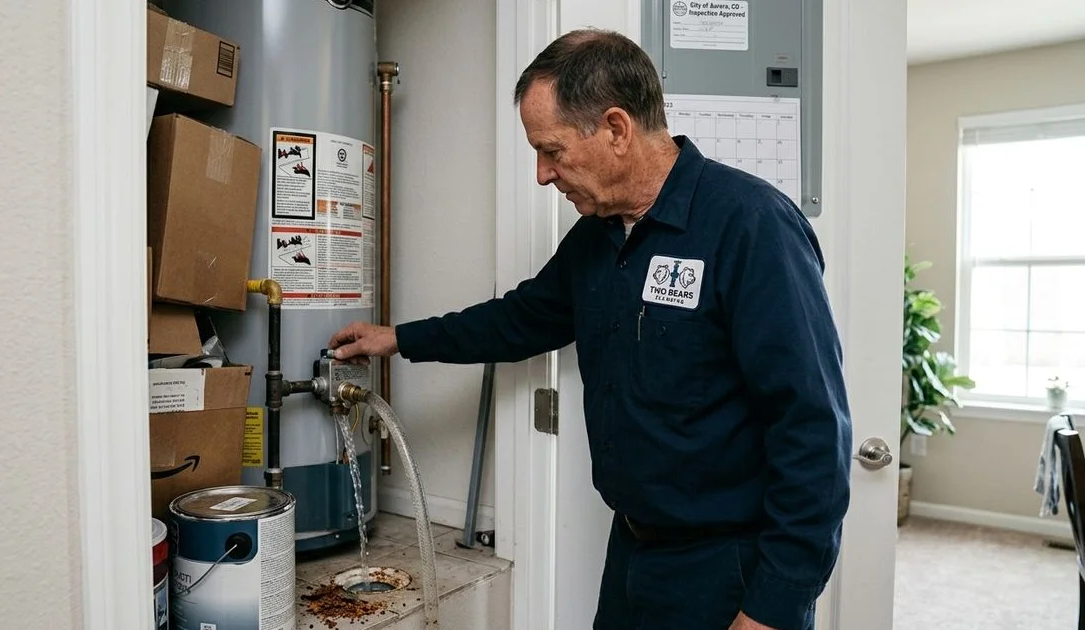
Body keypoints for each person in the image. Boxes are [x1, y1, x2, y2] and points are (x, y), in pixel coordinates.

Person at [329, 29, 852, 630]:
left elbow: (811, 429)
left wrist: (775, 606)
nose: (543, 175)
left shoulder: (751, 226)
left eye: (551, 150)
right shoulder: (598, 236)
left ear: (616, 128)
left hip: (728, 568)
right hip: (632, 554)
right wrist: (399, 339)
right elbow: (520, 319)